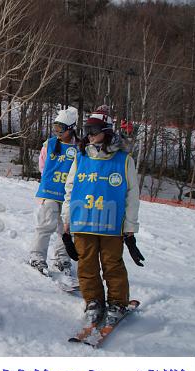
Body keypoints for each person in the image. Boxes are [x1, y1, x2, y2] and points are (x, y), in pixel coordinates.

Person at [61, 106, 145, 326]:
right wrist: (67, 222)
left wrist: (130, 228)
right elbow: (70, 189)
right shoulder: (81, 157)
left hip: (111, 224)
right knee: (86, 265)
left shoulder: (124, 160)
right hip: (83, 222)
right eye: (87, 130)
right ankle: (93, 301)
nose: (89, 135)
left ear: (106, 131)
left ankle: (117, 302)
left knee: (112, 265)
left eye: (94, 130)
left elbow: (132, 196)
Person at [29, 106, 80, 277]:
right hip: (50, 191)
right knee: (46, 224)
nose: (57, 132)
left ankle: (62, 258)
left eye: (61, 129)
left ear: (71, 128)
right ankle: (37, 256)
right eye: (55, 128)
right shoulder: (49, 144)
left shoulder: (79, 148)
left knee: (65, 227)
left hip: (69, 195)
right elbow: (42, 166)